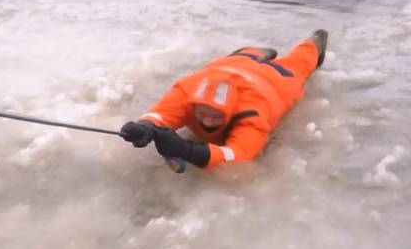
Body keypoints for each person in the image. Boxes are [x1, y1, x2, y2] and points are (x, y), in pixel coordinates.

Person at [120, 30, 328, 169]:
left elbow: (239, 155)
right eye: (202, 113)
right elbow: (161, 114)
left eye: (215, 115)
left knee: (299, 63)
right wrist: (145, 127)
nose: (207, 121)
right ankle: (256, 53)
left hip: (276, 79)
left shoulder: (253, 113)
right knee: (242, 57)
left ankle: (314, 42)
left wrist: (187, 150)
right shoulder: (187, 92)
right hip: (234, 64)